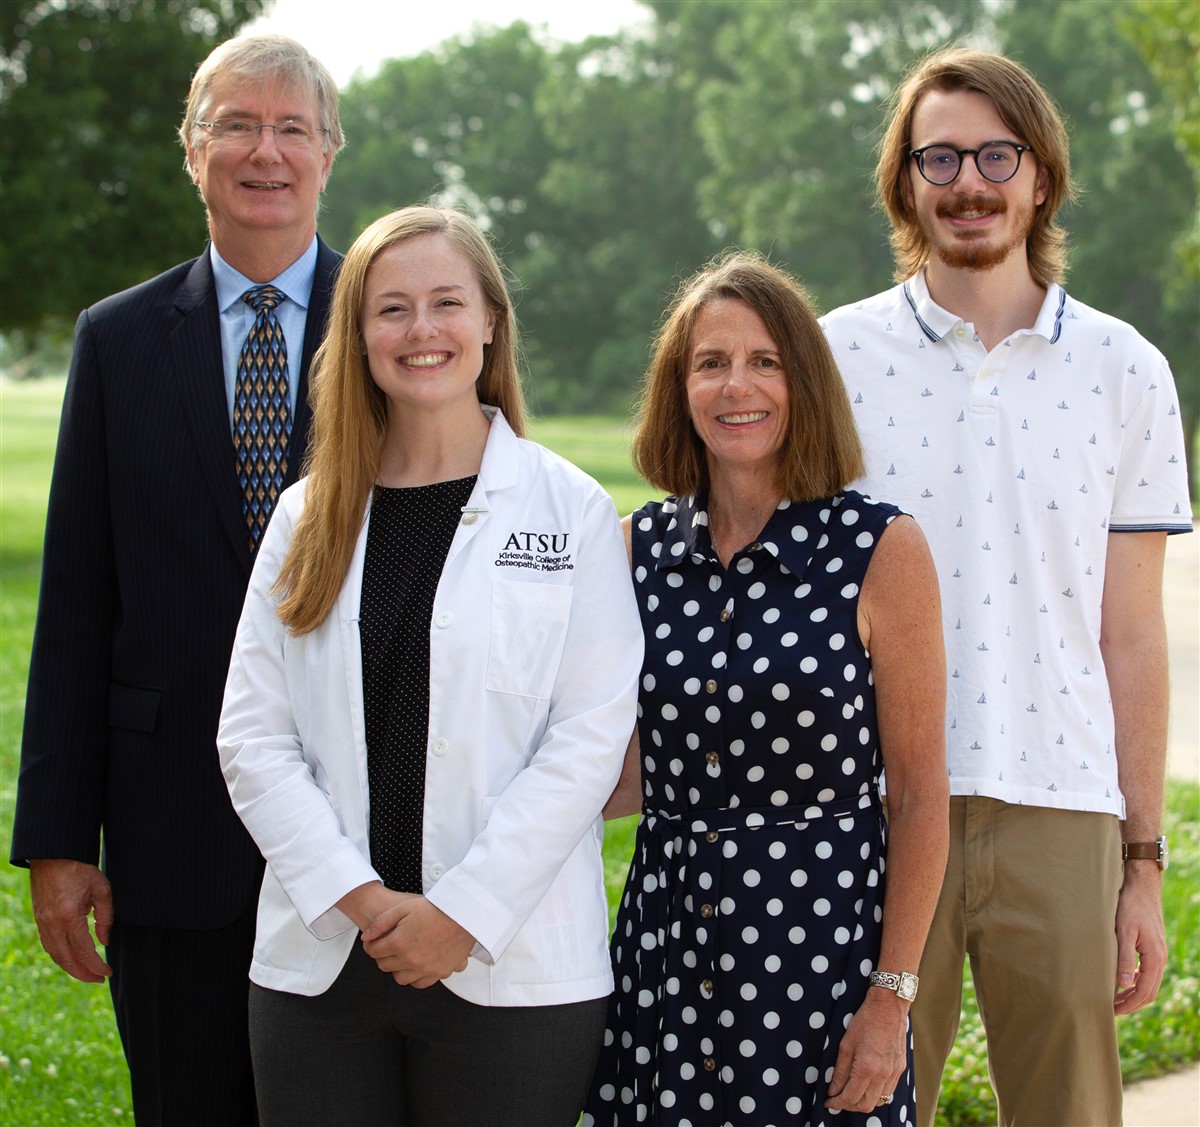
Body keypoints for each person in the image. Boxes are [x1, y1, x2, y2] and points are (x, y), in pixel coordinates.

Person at [820, 47, 1193, 1127]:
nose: (968, 181)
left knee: (1071, 1112)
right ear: (904, 181)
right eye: (939, 156)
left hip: (1063, 807)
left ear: (1041, 176)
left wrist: (1141, 863)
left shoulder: (1127, 370)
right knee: (861, 1106)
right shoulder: (833, 358)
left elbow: (1130, 635)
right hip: (874, 804)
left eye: (996, 153)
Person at [216, 205, 643, 1125]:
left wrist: (464, 912)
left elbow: (588, 739)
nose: (421, 331)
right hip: (324, 963)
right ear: (359, 334)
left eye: (446, 302)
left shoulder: (569, 508)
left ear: (490, 320)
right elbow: (253, 736)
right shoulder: (305, 517)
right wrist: (362, 898)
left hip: (514, 965)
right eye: (392, 309)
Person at [9, 33, 343, 1126]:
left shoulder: (400, 326)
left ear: (330, 153)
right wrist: (58, 839)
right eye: (238, 125)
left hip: (363, 834)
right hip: (169, 833)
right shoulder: (116, 342)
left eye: (293, 127)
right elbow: (76, 603)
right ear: (191, 151)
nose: (266, 151)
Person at [584, 251, 949, 1125]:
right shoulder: (637, 550)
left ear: (804, 382)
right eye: (710, 362)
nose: (734, 385)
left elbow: (921, 793)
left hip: (820, 959)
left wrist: (892, 998)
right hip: (666, 951)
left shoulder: (880, 550)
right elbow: (623, 770)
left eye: (764, 361)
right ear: (680, 388)